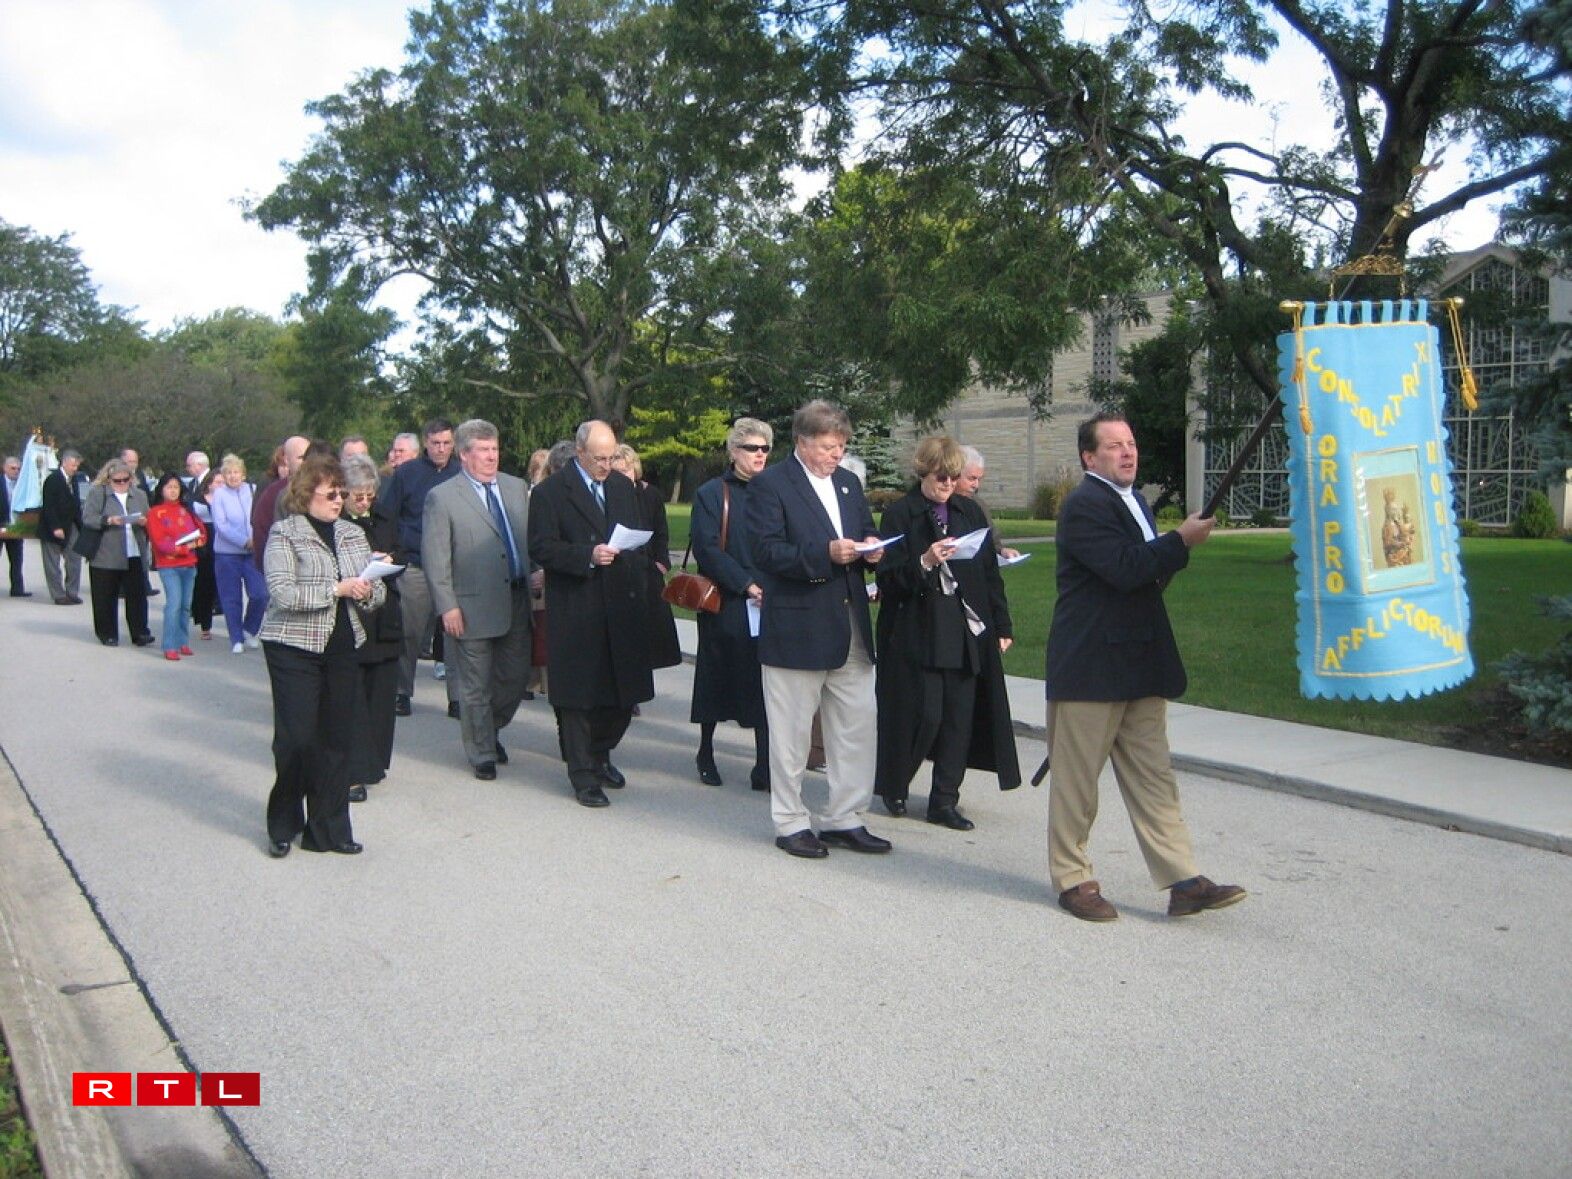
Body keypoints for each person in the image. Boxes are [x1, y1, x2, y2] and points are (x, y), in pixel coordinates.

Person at [1045, 411, 1245, 922]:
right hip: (1090, 665)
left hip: (1138, 662)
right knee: (1077, 783)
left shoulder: (1132, 501)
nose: (1128, 452)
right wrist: (1180, 542)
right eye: (1114, 446)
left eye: (1131, 443)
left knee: (1154, 777)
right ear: (1089, 457)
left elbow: (1145, 574)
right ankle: (1073, 879)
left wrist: (1172, 548)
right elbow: (1123, 568)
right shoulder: (1084, 505)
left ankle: (1182, 880)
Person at [748, 399, 890, 859]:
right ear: (803, 442)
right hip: (796, 626)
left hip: (850, 624)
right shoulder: (771, 485)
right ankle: (790, 822)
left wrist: (872, 549)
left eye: (842, 446)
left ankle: (845, 816)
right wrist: (825, 554)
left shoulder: (848, 483)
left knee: (856, 725)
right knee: (790, 734)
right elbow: (767, 553)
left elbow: (866, 529)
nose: (837, 455)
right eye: (829, 446)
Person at [874, 436, 1020, 829]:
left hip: (964, 629)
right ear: (924, 471)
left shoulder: (969, 512)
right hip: (918, 630)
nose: (949, 483)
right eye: (942, 476)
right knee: (925, 714)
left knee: (959, 717)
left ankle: (944, 801)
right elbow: (887, 580)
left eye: (955, 476)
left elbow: (990, 576)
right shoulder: (902, 514)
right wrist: (924, 560)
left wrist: (1002, 625)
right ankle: (896, 784)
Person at [259, 454, 385, 858]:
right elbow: (283, 592)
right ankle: (284, 821)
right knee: (297, 739)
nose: (338, 501)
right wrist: (336, 589)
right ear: (306, 494)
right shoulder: (285, 533)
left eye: (342, 494)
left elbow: (373, 592)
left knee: (335, 740)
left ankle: (330, 828)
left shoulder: (351, 533)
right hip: (293, 645)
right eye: (331, 494)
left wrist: (370, 587)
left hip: (342, 645)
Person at [527, 420, 656, 808]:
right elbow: (542, 547)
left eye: (611, 456)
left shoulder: (620, 486)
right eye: (598, 458)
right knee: (579, 696)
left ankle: (600, 754)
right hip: (577, 604)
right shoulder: (552, 493)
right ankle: (582, 773)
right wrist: (587, 555)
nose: (605, 464)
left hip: (619, 602)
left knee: (620, 695)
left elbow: (635, 531)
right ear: (579, 453)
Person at [423, 420, 534, 780]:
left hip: (516, 600)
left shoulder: (516, 489)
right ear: (464, 454)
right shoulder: (444, 497)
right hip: (469, 607)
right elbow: (436, 557)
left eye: (495, 449)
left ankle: (490, 727)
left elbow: (526, 539)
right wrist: (447, 606)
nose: (491, 456)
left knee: (515, 679)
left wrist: (537, 569)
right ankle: (482, 751)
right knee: (475, 684)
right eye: (483, 450)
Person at [687, 418, 773, 792]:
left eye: (765, 448)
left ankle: (764, 763)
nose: (760, 455)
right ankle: (705, 750)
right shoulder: (712, 493)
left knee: (766, 681)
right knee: (716, 675)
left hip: (770, 599)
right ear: (734, 451)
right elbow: (707, 548)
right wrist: (745, 584)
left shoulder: (774, 491)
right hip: (728, 598)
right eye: (752, 448)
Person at [375, 419, 460, 718]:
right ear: (426, 442)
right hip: (415, 561)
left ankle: (458, 697)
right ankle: (401, 691)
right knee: (410, 631)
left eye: (446, 443)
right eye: (436, 442)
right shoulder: (407, 473)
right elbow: (387, 514)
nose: (441, 448)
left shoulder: (460, 473)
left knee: (455, 633)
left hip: (453, 565)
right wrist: (391, 554)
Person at [341, 455, 403, 800]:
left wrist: (391, 559)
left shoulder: (384, 516)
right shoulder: (337, 522)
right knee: (353, 695)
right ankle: (353, 769)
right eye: (357, 496)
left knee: (381, 693)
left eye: (369, 496)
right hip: (353, 614)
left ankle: (375, 761)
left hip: (386, 613)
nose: (364, 502)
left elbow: (402, 548)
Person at [611, 442, 680, 672]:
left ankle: (641, 677)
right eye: (616, 472)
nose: (622, 477)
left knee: (650, 631)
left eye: (625, 471)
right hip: (619, 568)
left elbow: (661, 531)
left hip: (648, 569)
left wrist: (662, 563)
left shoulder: (650, 495)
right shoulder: (609, 495)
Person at [81, 459, 154, 646]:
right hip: (106, 553)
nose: (122, 484)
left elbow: (148, 517)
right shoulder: (98, 493)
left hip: (134, 551)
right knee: (105, 596)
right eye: (117, 480)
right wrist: (109, 520)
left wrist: (144, 522)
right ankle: (107, 633)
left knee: (137, 596)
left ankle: (140, 632)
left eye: (125, 479)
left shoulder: (139, 495)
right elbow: (88, 518)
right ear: (108, 479)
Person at [210, 455, 269, 653]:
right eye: (228, 473)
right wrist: (244, 541)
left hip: (253, 552)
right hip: (228, 554)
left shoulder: (252, 490)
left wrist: (256, 540)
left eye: (236, 472)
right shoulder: (219, 495)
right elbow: (221, 526)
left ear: (243, 474)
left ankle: (249, 629)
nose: (233, 476)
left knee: (260, 593)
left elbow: (260, 516)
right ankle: (236, 637)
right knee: (231, 598)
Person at [145, 473, 207, 660]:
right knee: (174, 604)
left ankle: (183, 641)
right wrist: (182, 548)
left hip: (189, 564)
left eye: (176, 487)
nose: (173, 491)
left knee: (185, 605)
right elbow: (159, 542)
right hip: (169, 565)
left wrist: (196, 544)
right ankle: (169, 644)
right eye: (169, 487)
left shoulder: (186, 510)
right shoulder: (155, 512)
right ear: (161, 489)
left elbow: (202, 533)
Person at [251, 435, 310, 569]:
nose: (306, 462)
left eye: (309, 456)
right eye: (301, 458)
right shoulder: (273, 493)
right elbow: (260, 529)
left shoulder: (324, 490)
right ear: (287, 461)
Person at [956, 446, 1023, 561]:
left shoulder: (978, 504)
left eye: (979, 479)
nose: (976, 485)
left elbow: (992, 540)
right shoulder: (938, 505)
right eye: (971, 478)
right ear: (955, 474)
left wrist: (1002, 551)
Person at [39, 449, 84, 605]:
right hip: (54, 527)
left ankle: (72, 592)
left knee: (74, 559)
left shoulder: (75, 481)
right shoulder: (53, 480)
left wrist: (81, 526)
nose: (75, 469)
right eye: (73, 465)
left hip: (71, 525)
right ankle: (58, 594)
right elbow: (49, 507)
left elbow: (76, 504)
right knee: (52, 562)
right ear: (64, 462)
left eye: (77, 466)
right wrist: (55, 527)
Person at [1, 455, 29, 597]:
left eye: (18, 469)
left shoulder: (22, 486)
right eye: (13, 468)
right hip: (1, 526)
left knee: (17, 560)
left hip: (16, 528)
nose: (16, 471)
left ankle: (17, 589)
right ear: (4, 468)